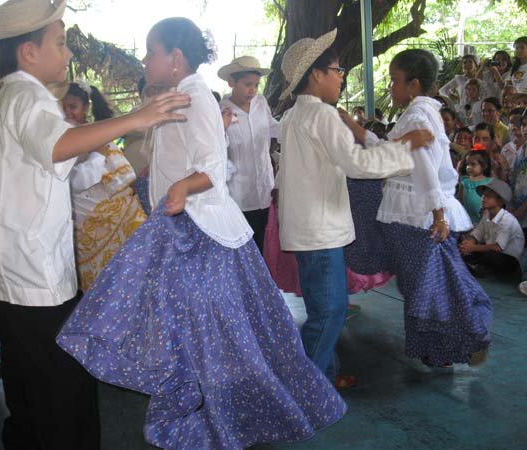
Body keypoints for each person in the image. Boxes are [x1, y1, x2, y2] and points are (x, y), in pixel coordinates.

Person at [57, 17, 347, 450]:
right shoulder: (183, 95)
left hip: (198, 232)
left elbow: (211, 166)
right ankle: (205, 405)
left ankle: (221, 410)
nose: (144, 60)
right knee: (202, 332)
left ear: (175, 58)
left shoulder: (195, 97)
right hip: (187, 227)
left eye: (151, 51)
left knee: (206, 332)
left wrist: (180, 189)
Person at [0, 1, 189, 449]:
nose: (68, 53)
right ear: (28, 52)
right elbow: (59, 145)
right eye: (61, 43)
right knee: (63, 389)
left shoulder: (11, 96)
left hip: (15, 262)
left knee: (26, 376)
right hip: (35, 269)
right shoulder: (29, 97)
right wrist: (136, 118)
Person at [277, 30, 433, 386]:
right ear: (317, 74)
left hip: (305, 227)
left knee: (321, 308)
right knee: (330, 312)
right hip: (320, 231)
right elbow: (357, 164)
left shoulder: (293, 116)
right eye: (337, 70)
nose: (341, 77)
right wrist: (405, 147)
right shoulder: (322, 115)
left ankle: (326, 373)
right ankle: (303, 389)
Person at [371, 49, 492, 367]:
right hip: (419, 212)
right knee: (428, 286)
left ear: (413, 84)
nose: (391, 87)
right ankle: (441, 349)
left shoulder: (416, 116)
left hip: (417, 215)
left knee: (427, 289)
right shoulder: (426, 112)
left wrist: (438, 214)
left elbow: (425, 168)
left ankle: (460, 340)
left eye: (395, 80)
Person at [62, 81, 147, 291]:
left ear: (85, 107)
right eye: (63, 107)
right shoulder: (64, 138)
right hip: (85, 226)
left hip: (113, 217)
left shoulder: (97, 136)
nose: (67, 112)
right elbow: (77, 181)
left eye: (73, 106)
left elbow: (125, 177)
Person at [218, 56, 276, 253]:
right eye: (247, 84)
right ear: (231, 82)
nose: (253, 90)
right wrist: (221, 128)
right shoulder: (221, 111)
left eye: (256, 85)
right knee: (243, 249)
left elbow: (272, 127)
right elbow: (215, 147)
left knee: (264, 246)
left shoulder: (261, 103)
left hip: (264, 189)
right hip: (238, 194)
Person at [460, 178, 524, 278]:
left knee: (491, 255)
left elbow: (498, 248)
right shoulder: (487, 214)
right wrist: (468, 244)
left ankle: (478, 267)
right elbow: (478, 233)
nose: (483, 198)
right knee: (466, 247)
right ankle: (477, 266)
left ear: (500, 201)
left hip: (508, 260)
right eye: (483, 195)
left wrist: (472, 247)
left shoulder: (507, 220)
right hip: (491, 253)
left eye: (488, 196)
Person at [457, 148, 492, 224]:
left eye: (473, 164)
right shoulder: (464, 182)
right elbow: (460, 202)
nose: (469, 167)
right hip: (467, 221)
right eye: (468, 164)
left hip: (484, 222)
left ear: (484, 166)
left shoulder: (489, 182)